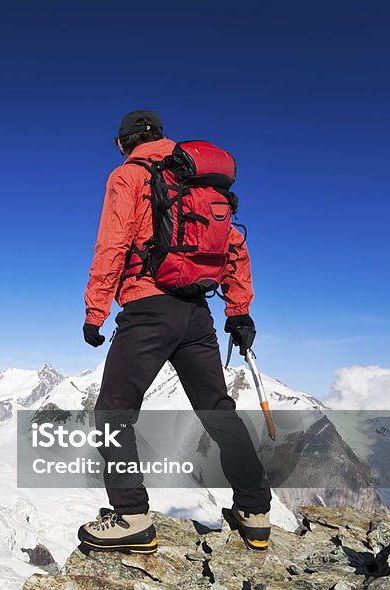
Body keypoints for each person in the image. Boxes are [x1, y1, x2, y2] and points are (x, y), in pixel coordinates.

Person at [77, 110, 272, 554]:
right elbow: (234, 246)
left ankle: (131, 518)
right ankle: (255, 511)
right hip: (196, 314)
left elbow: (113, 242)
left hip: (148, 308)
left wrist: (95, 310)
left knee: (112, 412)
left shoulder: (130, 175)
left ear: (125, 142)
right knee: (217, 410)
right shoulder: (196, 178)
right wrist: (239, 311)